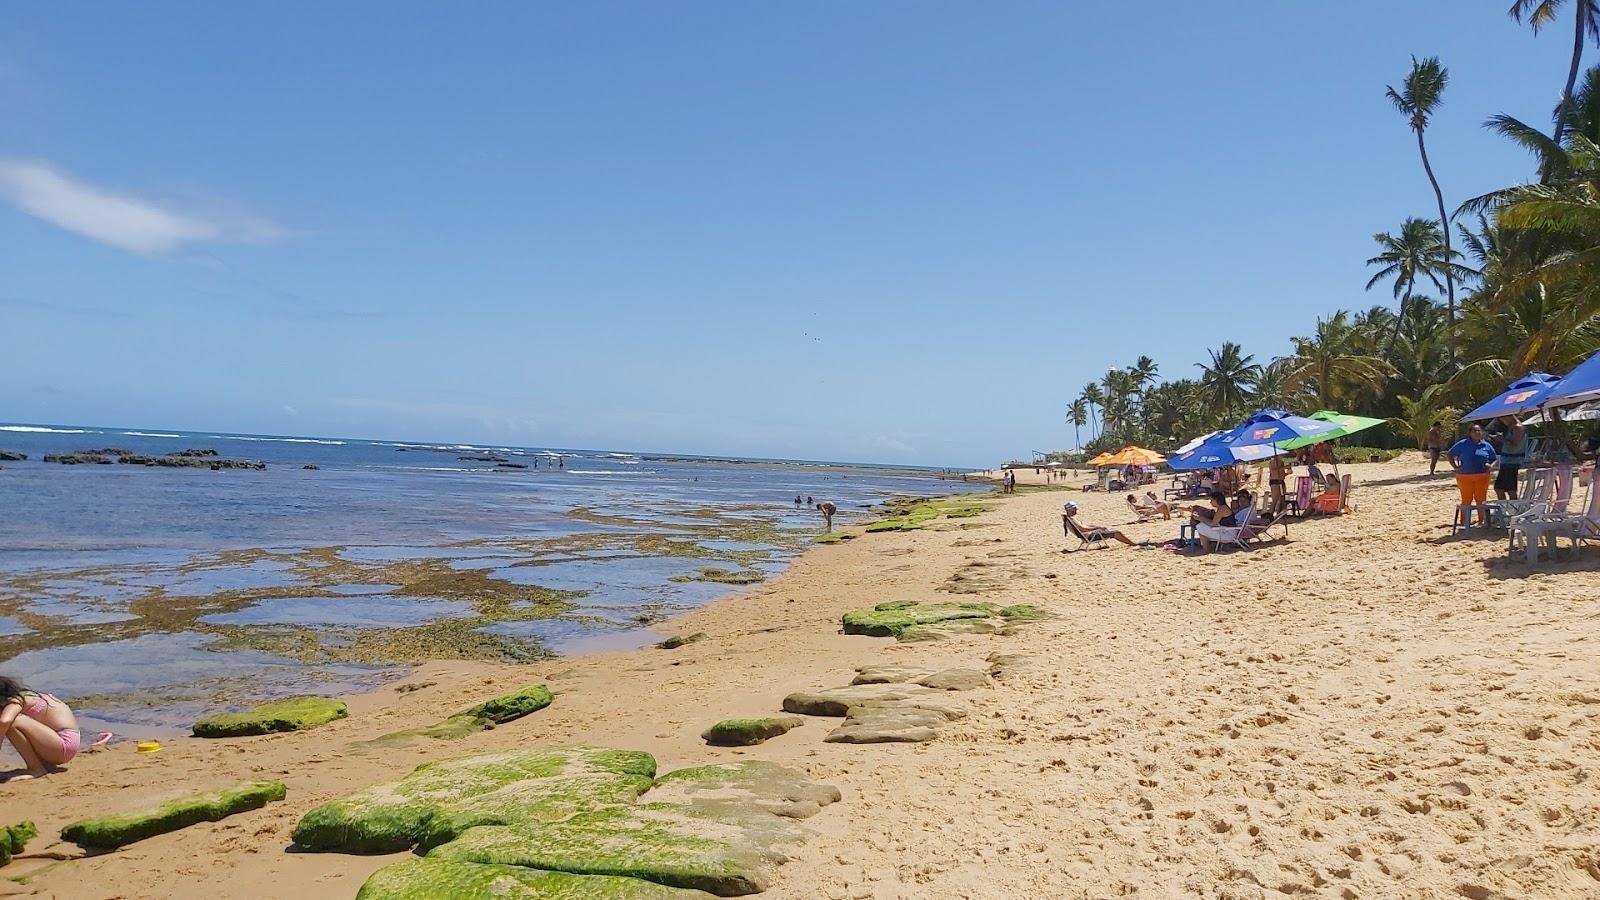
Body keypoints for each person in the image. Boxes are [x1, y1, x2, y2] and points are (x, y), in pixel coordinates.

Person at [0, 677, 104, 780]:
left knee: (14, 721)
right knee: (13, 721)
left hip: (64, 745)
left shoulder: (16, 701)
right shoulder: (28, 695)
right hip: (63, 744)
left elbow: (4, 721)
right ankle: (43, 766)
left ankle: (36, 769)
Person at [1448, 423, 1498, 526]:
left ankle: (1481, 520)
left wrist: (1491, 466)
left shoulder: (1486, 445)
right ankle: (1464, 521)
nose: (1477, 433)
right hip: (1465, 476)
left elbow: (1494, 458)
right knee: (1466, 499)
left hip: (1482, 475)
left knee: (1481, 499)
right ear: (1470, 433)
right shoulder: (1462, 444)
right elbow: (1450, 454)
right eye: (1474, 431)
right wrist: (1455, 467)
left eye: (1479, 430)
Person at [1061, 501, 1134, 546]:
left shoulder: (1069, 519)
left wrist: (1095, 526)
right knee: (1116, 532)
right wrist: (1096, 528)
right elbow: (1083, 529)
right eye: (1075, 508)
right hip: (1090, 537)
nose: (1076, 510)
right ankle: (1133, 544)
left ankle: (1131, 543)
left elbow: (1082, 527)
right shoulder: (1072, 519)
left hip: (1087, 536)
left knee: (1110, 530)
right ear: (1071, 509)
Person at [1493, 415, 1528, 501]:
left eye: (1503, 417)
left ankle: (1513, 509)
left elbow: (1515, 444)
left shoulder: (1518, 427)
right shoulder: (1511, 427)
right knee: (1499, 488)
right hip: (1506, 461)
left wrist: (1501, 439)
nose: (1502, 420)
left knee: (1510, 489)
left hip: (1512, 462)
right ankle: (1504, 508)